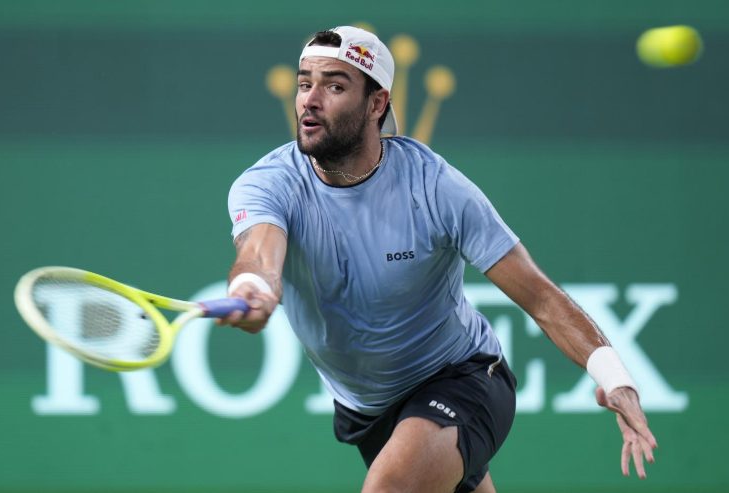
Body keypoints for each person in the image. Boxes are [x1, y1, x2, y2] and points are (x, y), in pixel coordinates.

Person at [220, 26, 657, 493]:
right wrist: (254, 289)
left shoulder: (437, 189)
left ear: (376, 104)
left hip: (462, 379)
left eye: (335, 85)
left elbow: (543, 299)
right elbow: (259, 256)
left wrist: (616, 378)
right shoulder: (266, 184)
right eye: (305, 82)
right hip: (369, 410)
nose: (310, 99)